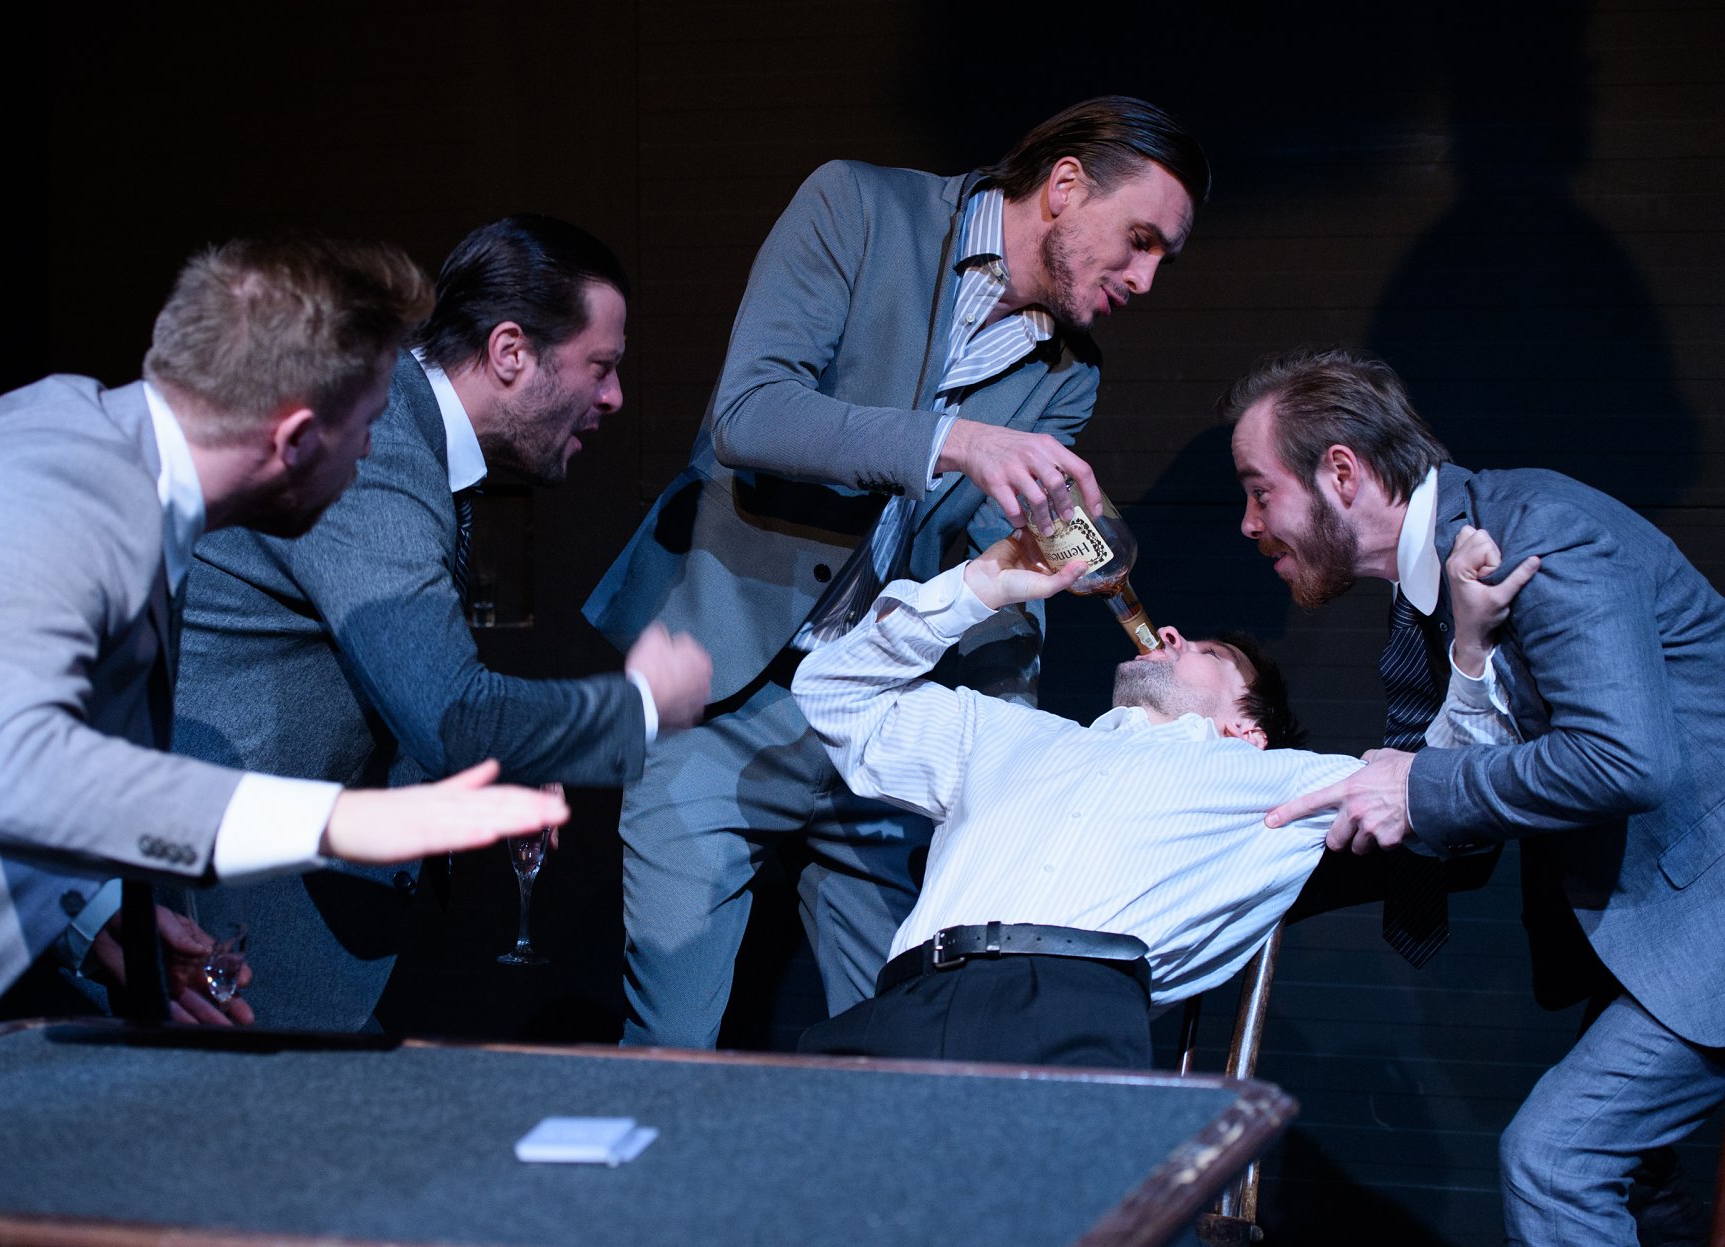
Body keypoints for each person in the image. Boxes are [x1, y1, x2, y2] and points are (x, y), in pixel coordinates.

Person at [0, 238, 570, 1072]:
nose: (373, 454)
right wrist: (349, 821)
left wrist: (94, 917)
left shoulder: (125, 470)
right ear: (296, 438)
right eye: (370, 424)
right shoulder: (49, 497)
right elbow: (14, 768)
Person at [585, 96, 1211, 1048]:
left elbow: (991, 567)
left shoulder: (1068, 373)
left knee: (907, 1052)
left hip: (876, 725)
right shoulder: (857, 209)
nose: (1147, 278)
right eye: (1140, 240)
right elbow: (749, 413)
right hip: (721, 689)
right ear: (1066, 186)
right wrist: (957, 441)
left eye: (1165, 257)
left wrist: (1006, 743)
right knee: (670, 1046)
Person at [1225, 345, 1724, 1246]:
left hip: (1706, 913)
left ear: (1342, 472)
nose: (1248, 523)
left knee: (1556, 1160)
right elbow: (1454, 804)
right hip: (1657, 924)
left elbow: (1623, 759)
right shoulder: (1432, 590)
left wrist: (1416, 785)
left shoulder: (1539, 533)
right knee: (1639, 1182)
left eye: (1261, 492)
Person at [173, 217, 710, 1032]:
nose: (614, 398)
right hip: (227, 921)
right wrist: (639, 705)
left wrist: (503, 754)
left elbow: (398, 669)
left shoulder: (413, 442)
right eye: (600, 366)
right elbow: (451, 712)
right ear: (510, 352)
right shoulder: (380, 446)